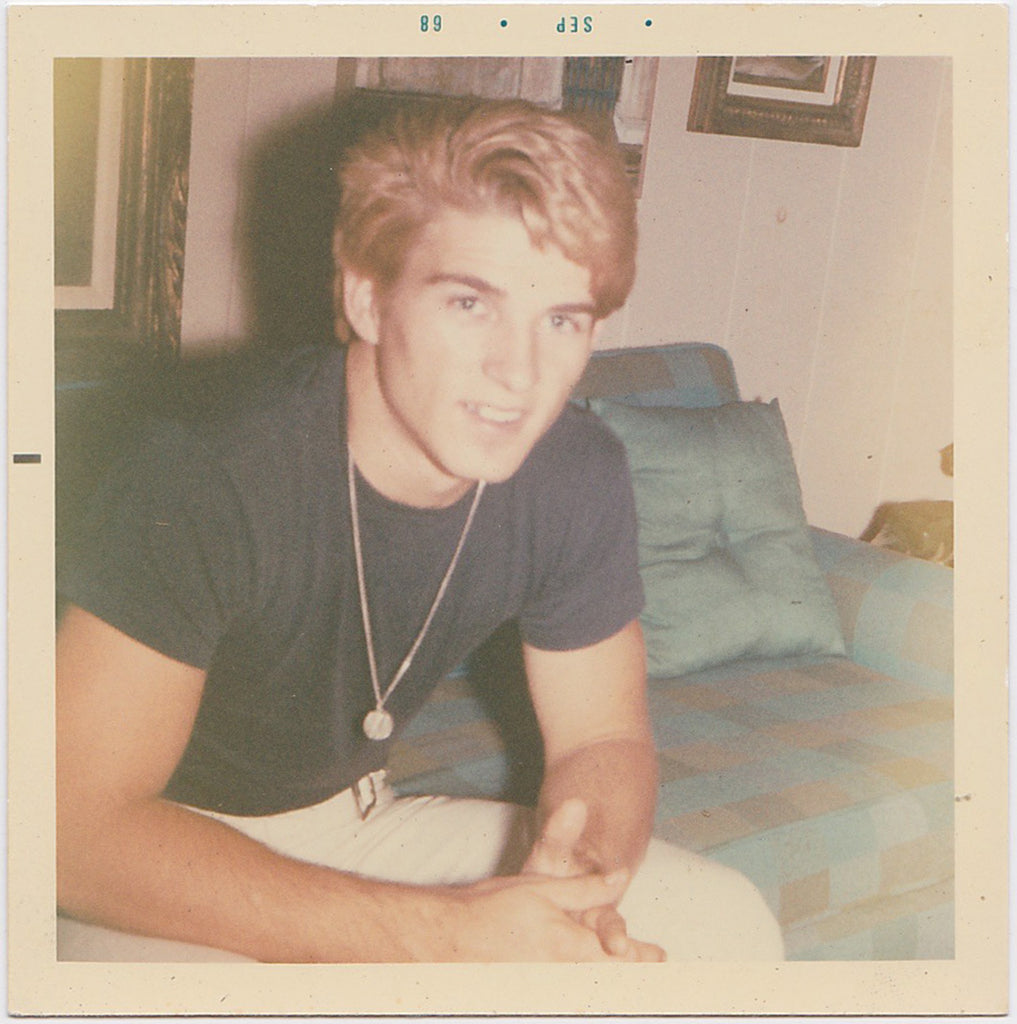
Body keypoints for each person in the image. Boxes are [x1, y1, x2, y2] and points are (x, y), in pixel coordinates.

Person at [55, 96, 783, 963]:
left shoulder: (574, 471)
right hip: (149, 868)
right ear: (366, 297)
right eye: (470, 304)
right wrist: (447, 934)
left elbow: (603, 737)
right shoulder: (207, 469)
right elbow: (70, 833)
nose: (519, 373)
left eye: (561, 320)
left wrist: (577, 882)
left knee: (724, 925)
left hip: (354, 825)